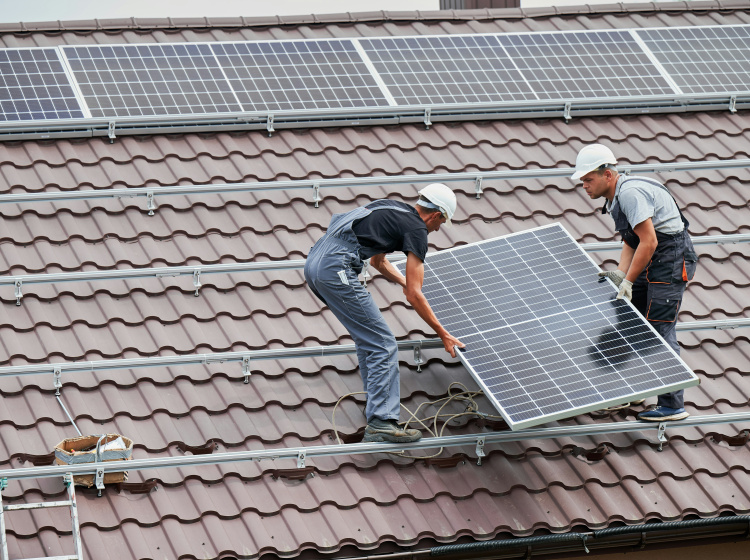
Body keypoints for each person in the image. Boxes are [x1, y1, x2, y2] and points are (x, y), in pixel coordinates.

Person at [304, 184, 465, 443]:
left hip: (316, 263)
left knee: (368, 338)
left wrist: (404, 283)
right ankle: (382, 421)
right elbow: (414, 294)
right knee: (383, 343)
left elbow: (379, 262)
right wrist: (442, 333)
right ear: (435, 215)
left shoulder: (392, 208)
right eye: (442, 223)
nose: (438, 229)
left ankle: (376, 406)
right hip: (336, 268)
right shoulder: (417, 229)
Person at [571, 144, 698, 422]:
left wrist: (629, 279)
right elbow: (631, 238)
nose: (585, 186)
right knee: (628, 315)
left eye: (588, 179)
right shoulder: (614, 197)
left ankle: (672, 404)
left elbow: (649, 241)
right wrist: (620, 275)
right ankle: (637, 387)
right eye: (582, 181)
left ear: (608, 174)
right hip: (652, 254)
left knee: (658, 331)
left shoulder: (629, 194)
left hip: (671, 258)